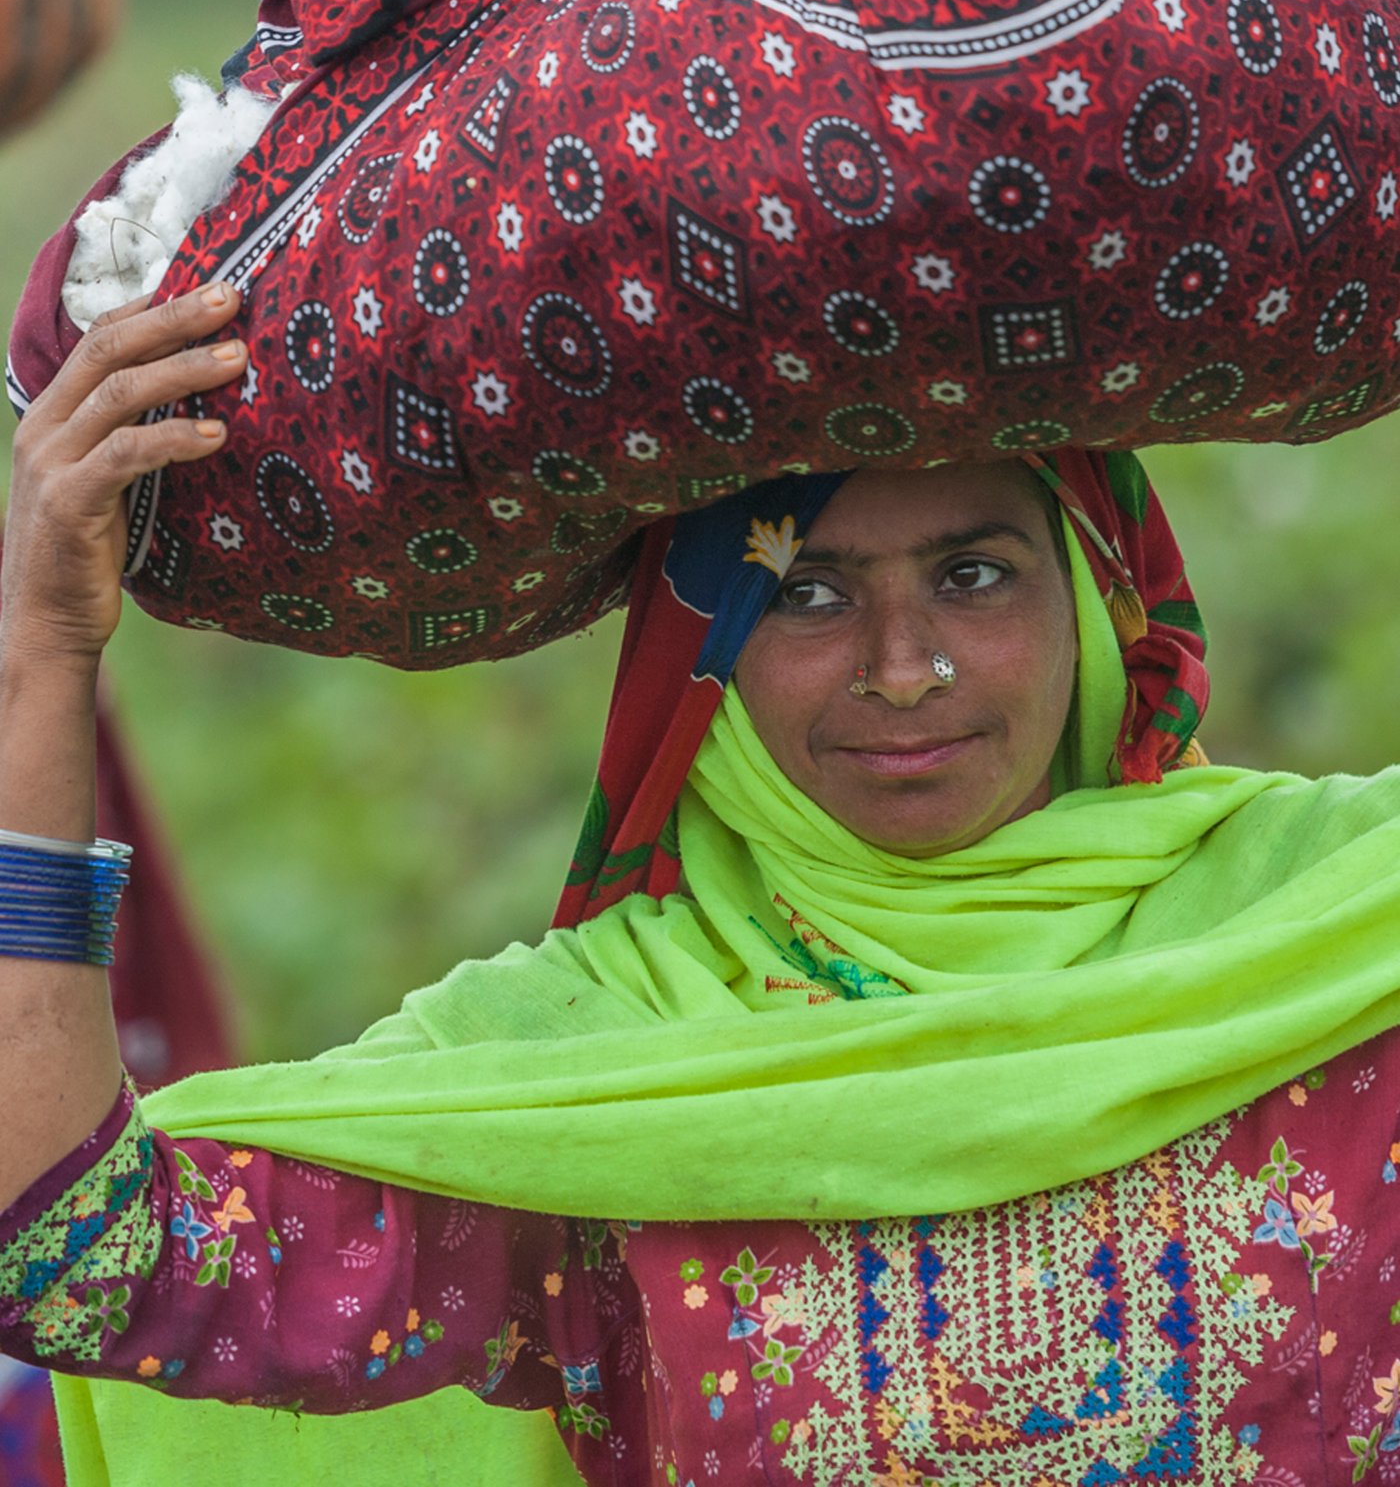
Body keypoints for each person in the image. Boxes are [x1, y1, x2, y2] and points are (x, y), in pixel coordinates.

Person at [4, 287, 1400, 1487]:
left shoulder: (1330, 936)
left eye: (975, 574)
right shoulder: (589, 1067)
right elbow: (80, 1248)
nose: (903, 666)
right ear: (705, 652)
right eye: (807, 594)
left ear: (1099, 602)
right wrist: (48, 658)